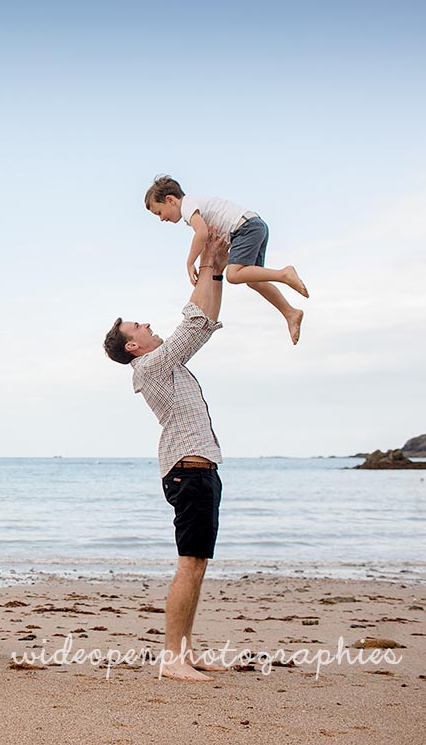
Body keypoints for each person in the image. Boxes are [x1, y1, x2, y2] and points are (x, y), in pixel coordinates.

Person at [102, 233, 230, 682]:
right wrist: (211, 265)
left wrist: (214, 268)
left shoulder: (167, 365)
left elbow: (205, 320)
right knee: (189, 565)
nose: (145, 324)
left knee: (197, 567)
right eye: (136, 326)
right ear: (132, 347)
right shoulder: (151, 366)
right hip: (188, 472)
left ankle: (185, 651)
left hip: (200, 470)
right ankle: (171, 658)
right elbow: (195, 324)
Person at [144, 174, 308, 344]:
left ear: (170, 200)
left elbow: (201, 234)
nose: (162, 219)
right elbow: (205, 242)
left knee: (234, 275)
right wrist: (204, 268)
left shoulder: (187, 206)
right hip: (254, 224)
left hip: (245, 228)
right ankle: (290, 313)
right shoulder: (194, 208)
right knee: (253, 280)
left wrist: (189, 262)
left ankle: (284, 274)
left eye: (159, 212)